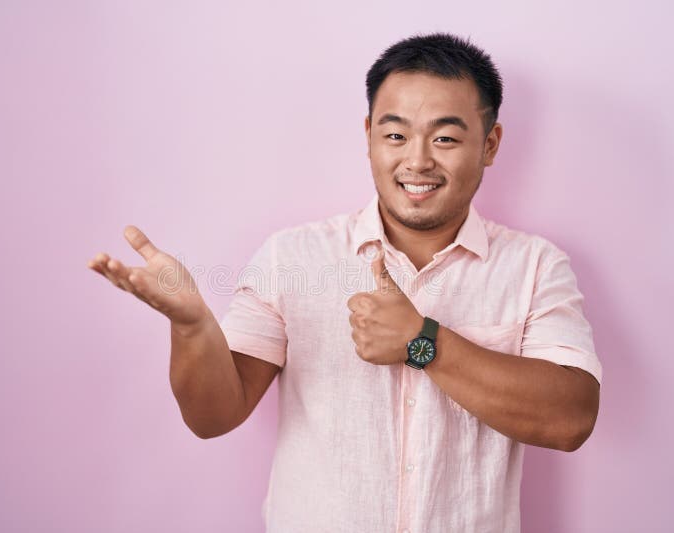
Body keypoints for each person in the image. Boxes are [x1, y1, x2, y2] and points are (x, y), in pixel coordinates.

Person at [88, 31, 602, 533]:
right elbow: (212, 416)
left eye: (444, 137)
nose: (417, 160)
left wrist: (422, 342)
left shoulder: (536, 265)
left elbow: (570, 418)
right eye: (395, 135)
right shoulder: (291, 257)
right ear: (369, 135)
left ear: (489, 144)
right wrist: (193, 327)